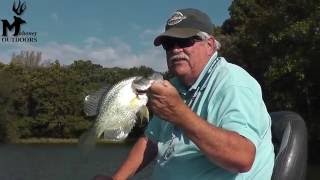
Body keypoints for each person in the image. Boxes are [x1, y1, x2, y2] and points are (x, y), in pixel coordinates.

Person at [94, 8, 274, 180]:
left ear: (210, 45)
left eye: (185, 41)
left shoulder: (233, 82)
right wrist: (116, 178)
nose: (175, 49)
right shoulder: (173, 86)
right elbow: (151, 140)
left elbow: (242, 158)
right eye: (169, 44)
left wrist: (180, 114)